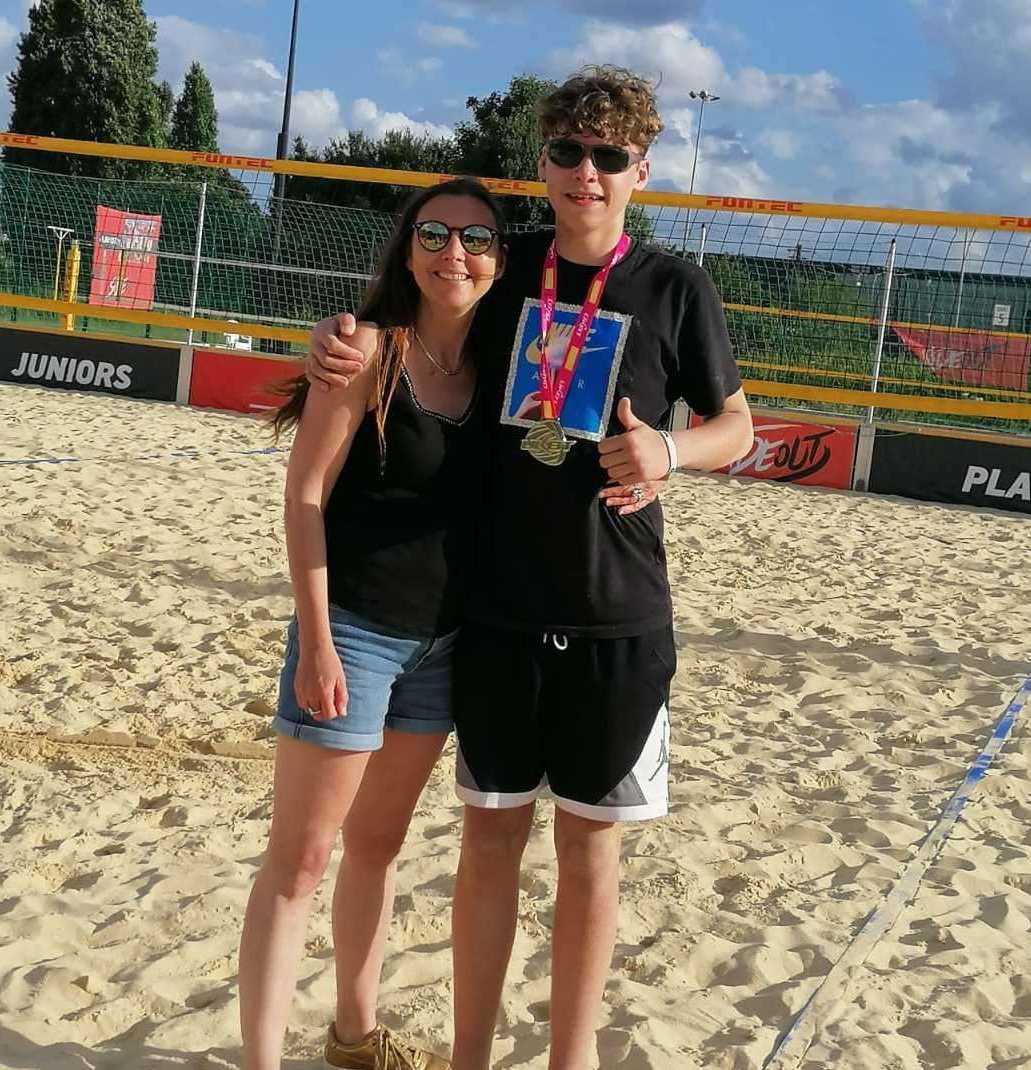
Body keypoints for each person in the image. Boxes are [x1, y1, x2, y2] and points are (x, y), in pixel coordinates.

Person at [304, 66, 754, 1070]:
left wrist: (671, 452)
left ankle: (568, 1060)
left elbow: (738, 427)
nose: (584, 172)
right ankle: (470, 1055)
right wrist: (337, 335)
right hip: (499, 615)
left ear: (640, 168)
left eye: (606, 156)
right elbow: (408, 326)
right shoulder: (507, 268)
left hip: (616, 617)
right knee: (488, 847)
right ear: (542, 161)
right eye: (566, 152)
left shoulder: (674, 287)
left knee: (591, 855)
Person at [238, 179, 500, 1070]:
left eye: (475, 239)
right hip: (352, 631)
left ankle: (352, 1036)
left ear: (501, 261)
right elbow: (305, 495)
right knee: (300, 862)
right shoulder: (367, 351)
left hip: (442, 645)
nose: (453, 252)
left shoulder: (506, 370)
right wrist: (314, 638)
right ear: (407, 248)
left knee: (378, 849)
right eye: (434, 233)